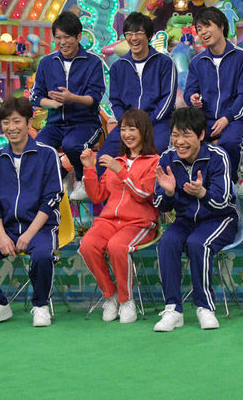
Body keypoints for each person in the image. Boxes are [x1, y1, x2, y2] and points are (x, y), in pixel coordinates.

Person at [0, 97, 64, 327]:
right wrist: (1, 236)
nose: (11, 127)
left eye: (17, 121)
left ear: (29, 123)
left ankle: (41, 305)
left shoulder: (47, 154)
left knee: (41, 256)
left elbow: (52, 199)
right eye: (6, 122)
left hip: (41, 228)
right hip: (7, 228)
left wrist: (28, 234)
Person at [153, 107, 239, 331]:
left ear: (201, 135)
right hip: (185, 220)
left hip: (220, 218)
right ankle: (173, 309)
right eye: (175, 135)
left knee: (197, 243)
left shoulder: (218, 156)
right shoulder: (167, 158)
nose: (180, 142)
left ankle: (205, 307)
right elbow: (160, 205)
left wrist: (202, 193)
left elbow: (223, 201)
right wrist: (169, 193)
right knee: (167, 242)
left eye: (186, 135)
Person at [78, 108, 160, 324]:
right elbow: (97, 196)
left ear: (144, 131)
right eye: (123, 129)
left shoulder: (154, 161)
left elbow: (144, 194)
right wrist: (89, 169)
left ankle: (127, 300)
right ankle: (110, 295)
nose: (126, 134)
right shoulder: (118, 160)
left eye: (132, 129)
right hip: (109, 221)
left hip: (140, 223)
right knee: (87, 245)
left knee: (117, 247)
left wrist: (120, 171)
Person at [29, 10, 106, 200]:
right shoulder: (47, 63)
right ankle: (57, 178)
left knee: (71, 145)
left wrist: (71, 98)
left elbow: (94, 98)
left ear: (78, 36)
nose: (62, 42)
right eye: (58, 38)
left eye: (67, 37)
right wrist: (53, 103)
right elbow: (36, 96)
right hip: (55, 125)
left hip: (85, 123)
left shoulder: (93, 62)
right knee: (36, 147)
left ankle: (81, 179)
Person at [97, 12, 177, 175]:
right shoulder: (118, 66)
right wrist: (128, 124)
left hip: (157, 122)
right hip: (128, 124)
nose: (133, 38)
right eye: (129, 33)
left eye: (139, 33)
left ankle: (153, 191)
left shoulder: (164, 62)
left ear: (149, 35)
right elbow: (115, 101)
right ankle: (113, 193)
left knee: (158, 156)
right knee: (103, 159)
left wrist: (146, 122)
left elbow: (168, 98)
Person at [184, 6, 243, 180]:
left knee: (229, 143)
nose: (203, 32)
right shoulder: (197, 62)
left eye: (207, 26)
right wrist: (192, 99)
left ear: (221, 26)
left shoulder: (241, 57)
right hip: (205, 120)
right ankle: (199, 183)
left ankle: (230, 183)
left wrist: (227, 118)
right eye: (199, 29)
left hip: (234, 119)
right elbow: (189, 91)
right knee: (188, 142)